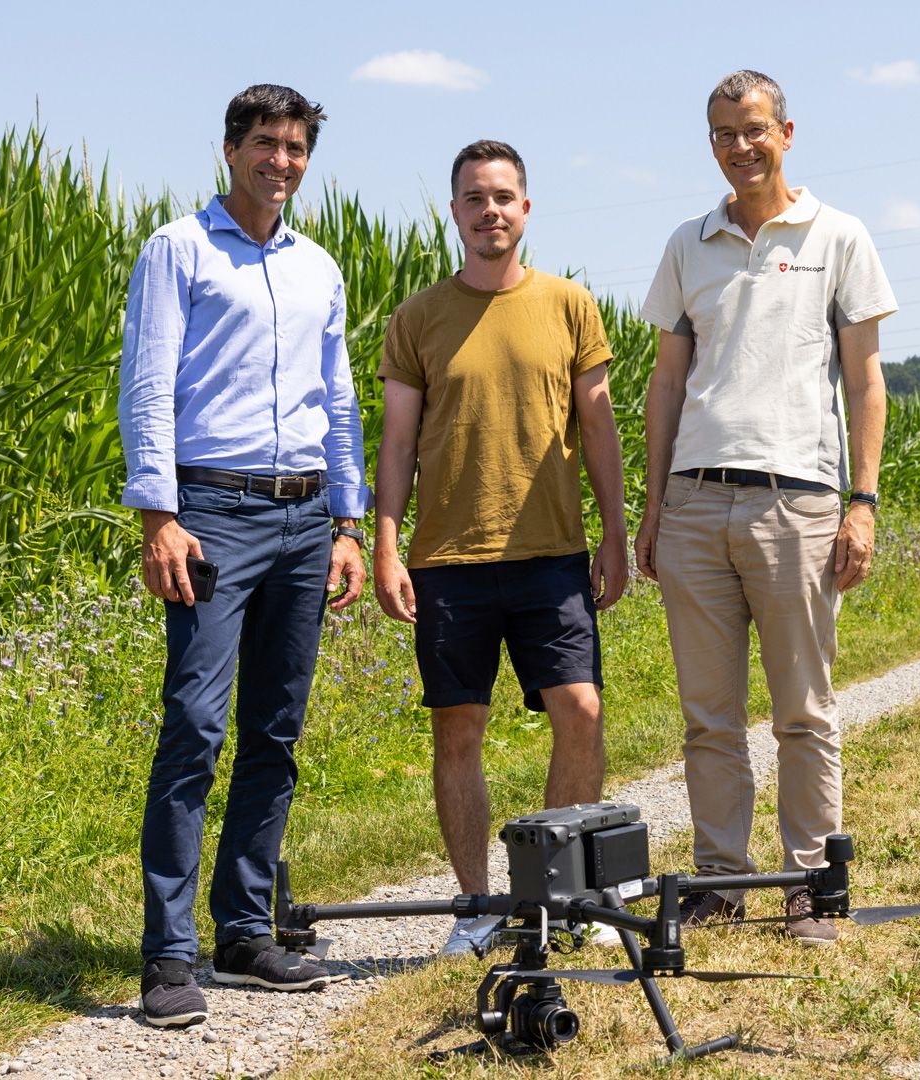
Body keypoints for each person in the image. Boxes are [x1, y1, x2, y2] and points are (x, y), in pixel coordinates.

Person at [118, 83, 369, 1027]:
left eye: (296, 147)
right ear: (231, 149)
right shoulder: (178, 250)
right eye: (265, 143)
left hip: (307, 518)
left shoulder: (319, 267)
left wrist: (349, 524)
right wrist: (159, 516)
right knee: (195, 726)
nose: (281, 161)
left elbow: (337, 400)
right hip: (212, 513)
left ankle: (243, 931)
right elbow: (148, 384)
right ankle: (168, 957)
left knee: (275, 731)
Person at [634, 70, 897, 946]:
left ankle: (810, 882)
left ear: (787, 132)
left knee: (803, 709)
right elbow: (667, 383)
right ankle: (720, 881)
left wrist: (862, 502)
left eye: (752, 130)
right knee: (708, 716)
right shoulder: (688, 243)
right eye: (721, 133)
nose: (738, 147)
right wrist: (651, 508)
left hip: (800, 504)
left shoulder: (839, 236)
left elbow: (865, 379)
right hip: (694, 505)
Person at [372, 140, 628, 957]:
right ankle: (477, 904)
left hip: (551, 555)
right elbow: (398, 443)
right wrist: (384, 541)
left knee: (580, 714)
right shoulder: (417, 317)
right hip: (449, 561)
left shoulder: (570, 305)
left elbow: (598, 426)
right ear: (455, 212)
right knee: (459, 730)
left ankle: (559, 898)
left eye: (505, 197)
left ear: (527, 209)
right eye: (475, 198)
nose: (491, 211)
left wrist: (617, 531)